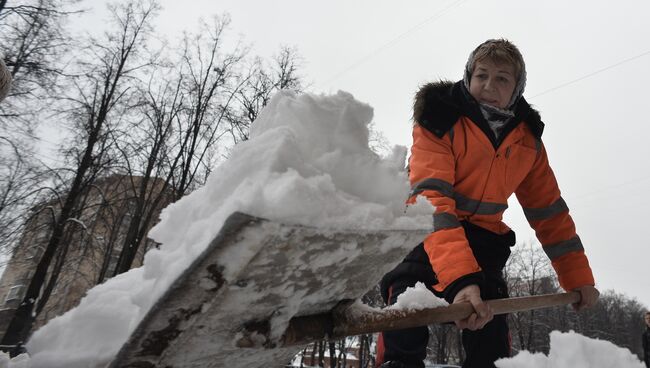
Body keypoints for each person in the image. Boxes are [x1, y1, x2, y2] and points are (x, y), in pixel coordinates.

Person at [375, 39, 599, 368]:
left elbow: (550, 213)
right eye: (482, 75)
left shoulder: (527, 140)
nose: (489, 86)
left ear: (516, 89)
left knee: (491, 342)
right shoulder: (439, 118)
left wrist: (578, 278)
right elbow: (432, 199)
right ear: (469, 77)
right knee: (406, 311)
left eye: (501, 79)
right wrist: (461, 281)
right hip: (425, 237)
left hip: (483, 248)